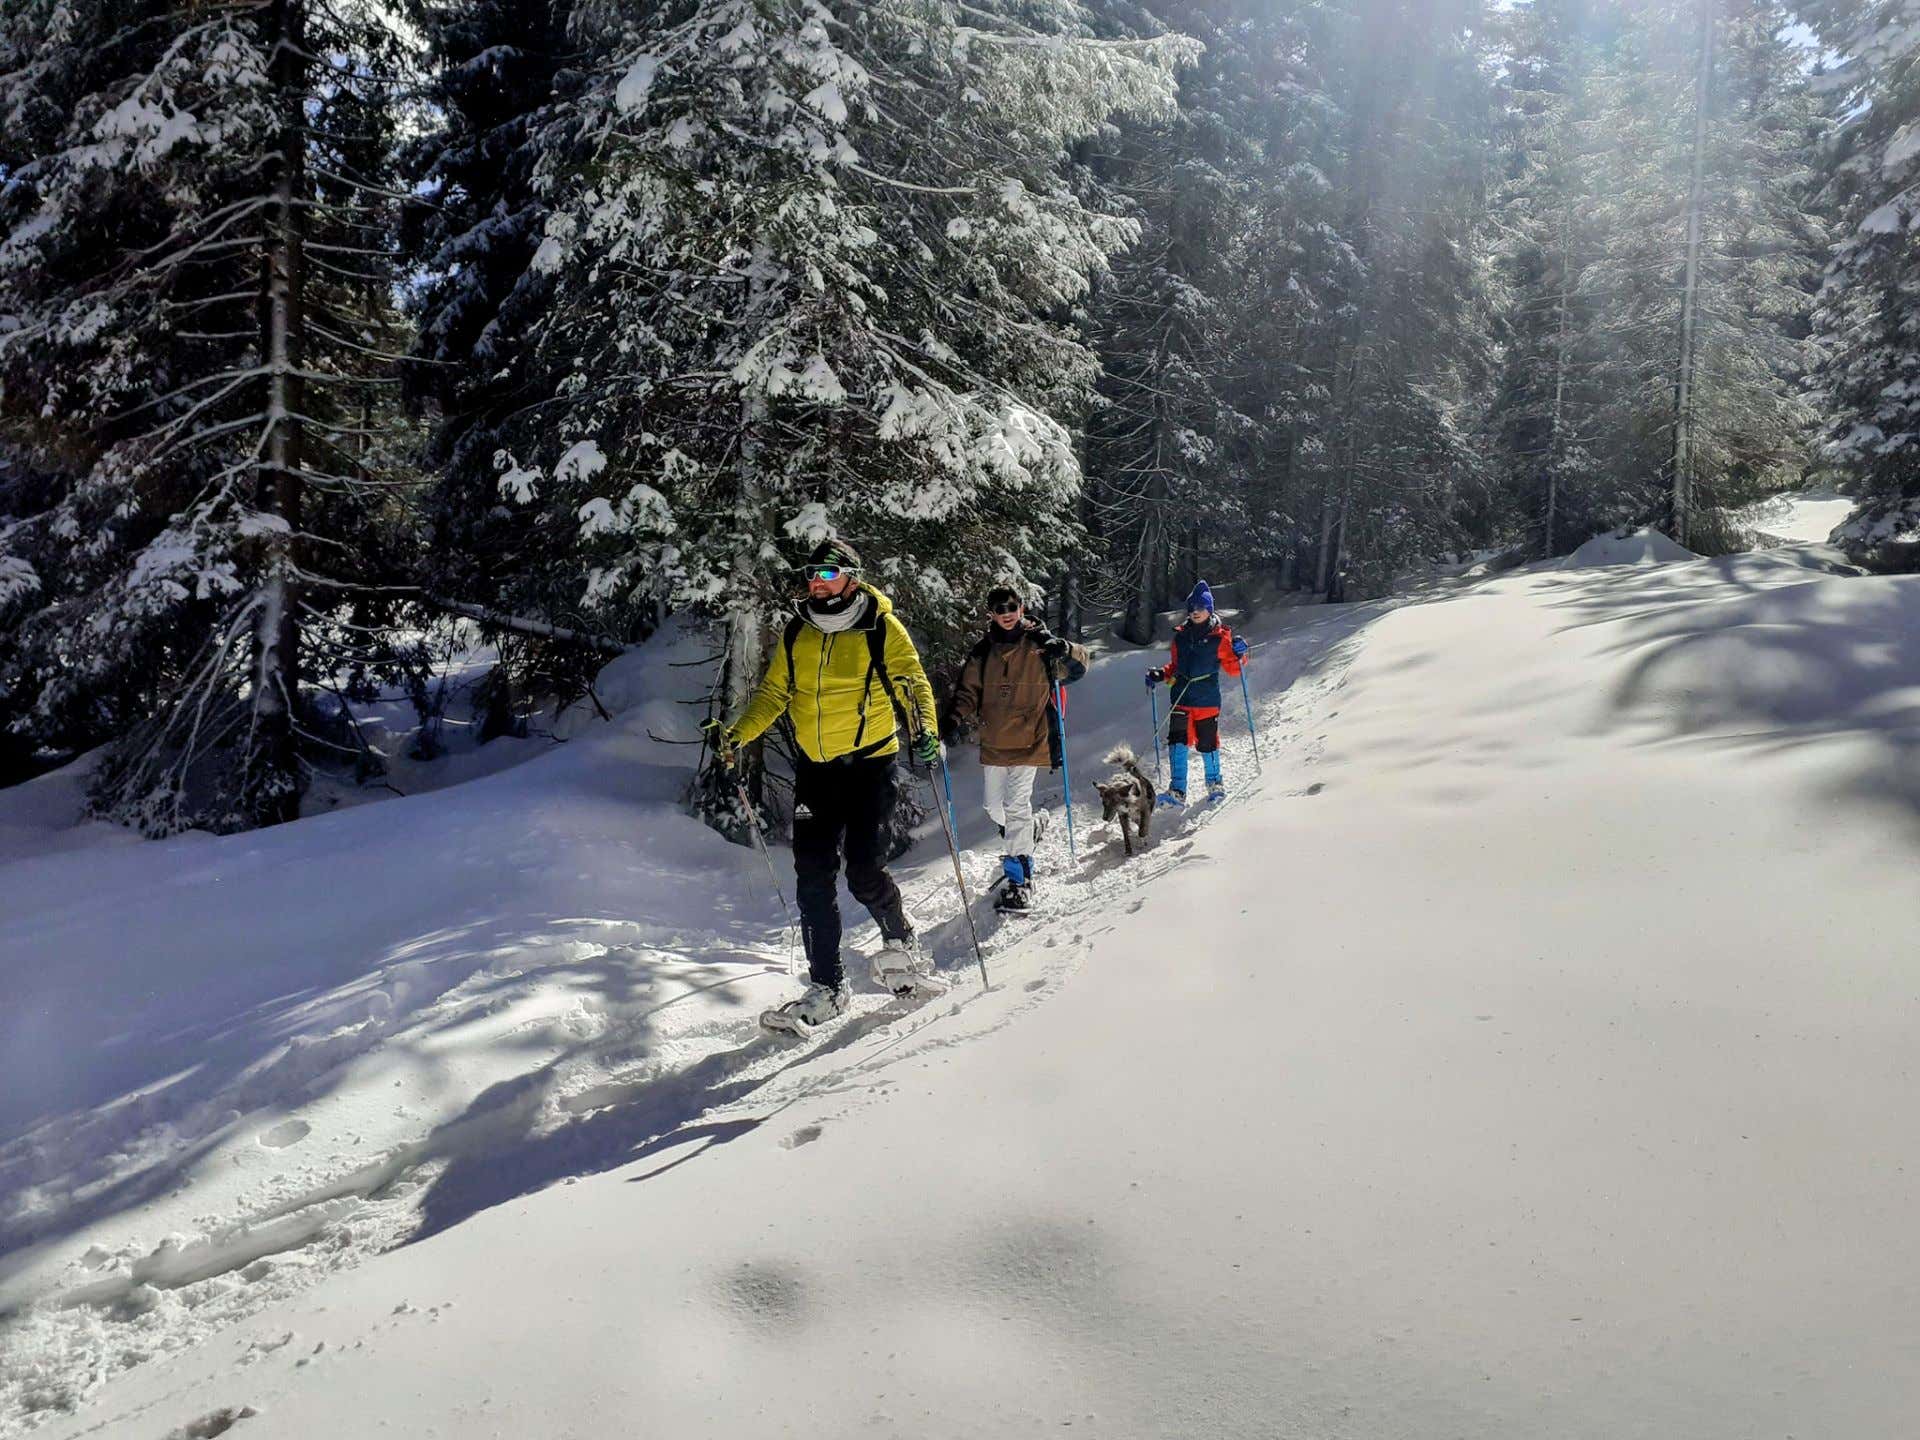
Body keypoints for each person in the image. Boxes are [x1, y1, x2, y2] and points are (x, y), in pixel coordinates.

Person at [718, 539, 942, 1028]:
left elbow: (912, 683)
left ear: (851, 578)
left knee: (863, 871)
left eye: (827, 572)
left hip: (869, 767)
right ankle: (827, 987)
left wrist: (925, 729)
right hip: (815, 773)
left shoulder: (879, 626)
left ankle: (900, 938)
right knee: (812, 879)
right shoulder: (799, 629)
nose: (816, 582)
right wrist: (738, 733)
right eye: (811, 573)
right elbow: (775, 693)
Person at [949, 585, 1089, 912]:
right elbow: (968, 691)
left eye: (1011, 607)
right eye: (999, 609)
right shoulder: (983, 651)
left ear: (1021, 608)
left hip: (1031, 739)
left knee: (1014, 806)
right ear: (991, 614)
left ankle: (1020, 880)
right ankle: (1030, 827)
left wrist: (1065, 649)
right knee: (993, 808)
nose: (1007, 614)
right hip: (995, 741)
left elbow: (1080, 667)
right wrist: (952, 719)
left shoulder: (1040, 645)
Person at [1145, 580, 1247, 807]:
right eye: (1191, 607)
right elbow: (1175, 667)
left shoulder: (1219, 637)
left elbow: (1233, 668)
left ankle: (1215, 784)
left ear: (1209, 609)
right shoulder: (1180, 637)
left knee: (1207, 742)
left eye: (1200, 607)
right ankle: (1177, 790)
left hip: (1206, 699)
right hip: (1181, 698)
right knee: (1177, 743)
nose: (1195, 611)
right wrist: (1160, 674)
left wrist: (1240, 653)